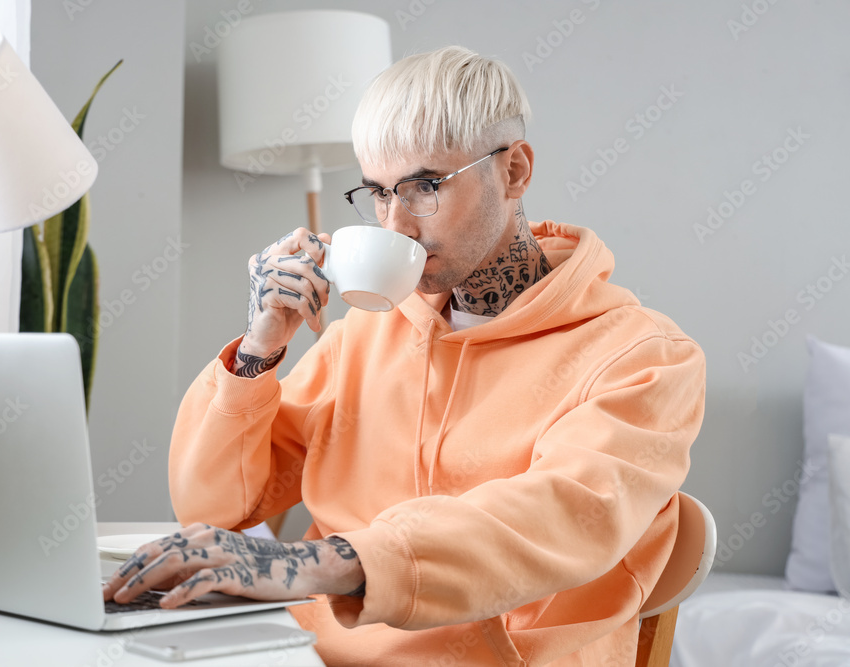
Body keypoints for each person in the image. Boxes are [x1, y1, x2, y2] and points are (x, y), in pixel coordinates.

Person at [103, 45, 706, 666]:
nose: (395, 225)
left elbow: (560, 516)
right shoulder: (363, 336)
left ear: (515, 171)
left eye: (422, 188)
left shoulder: (645, 358)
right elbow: (213, 508)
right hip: (306, 653)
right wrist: (261, 347)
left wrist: (313, 563)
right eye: (378, 193)